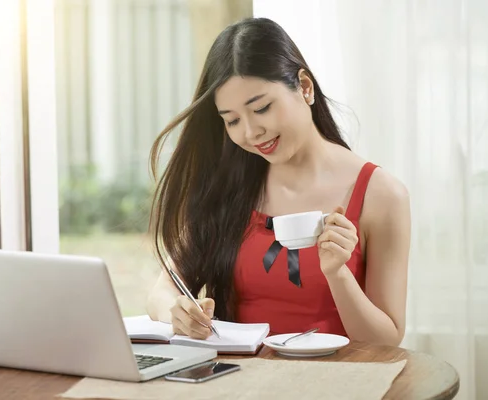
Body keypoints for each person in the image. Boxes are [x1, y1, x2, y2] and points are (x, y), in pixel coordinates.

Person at [146, 17, 410, 346]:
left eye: (262, 108)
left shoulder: (382, 195)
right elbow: (163, 290)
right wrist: (179, 311)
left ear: (305, 87)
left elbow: (385, 343)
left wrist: (338, 274)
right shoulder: (231, 186)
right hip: (242, 382)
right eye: (232, 120)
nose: (250, 133)